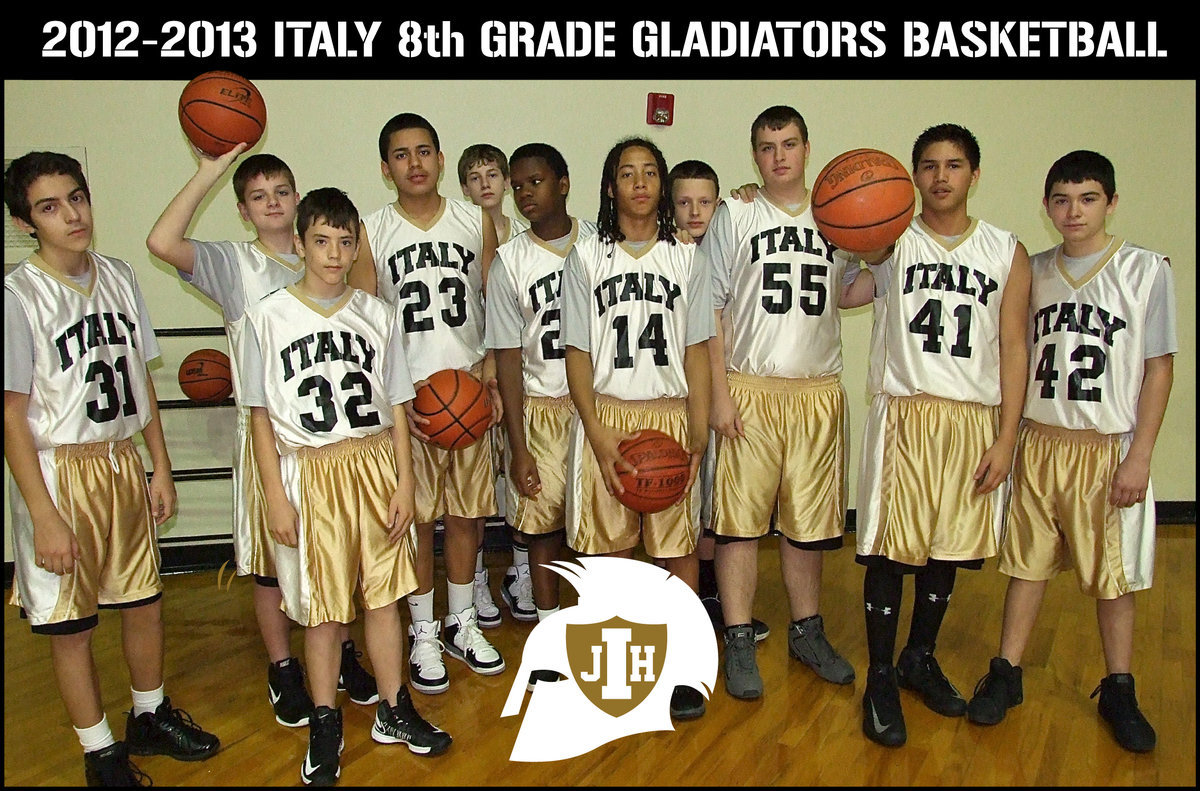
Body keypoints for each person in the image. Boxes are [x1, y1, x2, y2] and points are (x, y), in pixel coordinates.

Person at [4, 151, 220, 786]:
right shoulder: (18, 295)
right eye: (50, 207)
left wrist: (161, 465)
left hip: (122, 460)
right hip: (59, 472)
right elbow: (11, 415)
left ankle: (149, 716)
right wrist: (43, 514)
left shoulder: (121, 276)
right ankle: (100, 752)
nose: (72, 214)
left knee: (143, 600)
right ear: (25, 223)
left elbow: (140, 380)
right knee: (72, 625)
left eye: (77, 197)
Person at [146, 144, 377, 729]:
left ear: (297, 200)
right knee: (274, 563)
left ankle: (343, 652)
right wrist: (209, 170)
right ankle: (282, 667)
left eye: (281, 192)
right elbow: (162, 242)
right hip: (269, 440)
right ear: (243, 210)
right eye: (257, 196)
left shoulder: (326, 255)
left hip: (333, 442)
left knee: (337, 556)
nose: (272, 203)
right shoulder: (233, 264)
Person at [965, 150, 1175, 754]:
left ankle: (1119, 687)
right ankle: (1006, 671)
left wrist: (1141, 455)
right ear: (1046, 206)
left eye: (1087, 199)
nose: (1073, 211)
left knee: (1112, 579)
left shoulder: (1146, 270)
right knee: (1025, 566)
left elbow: (1159, 369)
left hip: (1106, 447)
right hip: (1040, 440)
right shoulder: (1034, 269)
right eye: (1061, 200)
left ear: (1111, 202)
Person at [242, 187, 452, 785]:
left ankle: (394, 707)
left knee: (384, 599)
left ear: (358, 245)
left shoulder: (378, 314)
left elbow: (398, 408)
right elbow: (259, 418)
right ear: (300, 243)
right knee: (324, 610)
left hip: (374, 462)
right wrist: (275, 498)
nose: (334, 254)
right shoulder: (265, 317)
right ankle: (325, 721)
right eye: (321, 241)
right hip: (310, 472)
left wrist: (406, 484)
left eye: (344, 242)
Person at [854, 123, 1031, 747]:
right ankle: (880, 677)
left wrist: (1006, 438)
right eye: (929, 165)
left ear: (974, 175)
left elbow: (1015, 347)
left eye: (953, 165)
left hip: (971, 417)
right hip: (906, 412)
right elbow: (845, 294)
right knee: (889, 551)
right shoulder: (891, 240)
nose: (940, 177)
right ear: (913, 175)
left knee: (946, 549)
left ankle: (918, 657)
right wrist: (845, 239)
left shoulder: (1006, 251)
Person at [703, 106, 870, 701]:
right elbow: (711, 307)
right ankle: (738, 637)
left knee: (809, 526)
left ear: (807, 148)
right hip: (750, 387)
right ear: (754, 156)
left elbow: (847, 291)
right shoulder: (737, 213)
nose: (778, 156)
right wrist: (719, 393)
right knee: (739, 526)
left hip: (817, 391)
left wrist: (886, 255)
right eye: (767, 146)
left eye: (789, 144)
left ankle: (807, 632)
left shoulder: (837, 213)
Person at [348, 112, 505, 695]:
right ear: (385, 168)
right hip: (411, 402)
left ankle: (462, 619)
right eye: (400, 154)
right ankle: (423, 631)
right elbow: (365, 327)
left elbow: (498, 304)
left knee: (466, 516)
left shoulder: (475, 220)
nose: (413, 163)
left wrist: (491, 372)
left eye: (423, 151)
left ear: (440, 159)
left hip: (468, 390)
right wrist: (395, 398)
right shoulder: (372, 230)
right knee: (416, 522)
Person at [561, 136, 714, 721]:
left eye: (651, 172)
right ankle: (614, 666)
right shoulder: (586, 257)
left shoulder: (687, 257)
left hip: (669, 414)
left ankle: (682, 665)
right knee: (610, 553)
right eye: (628, 173)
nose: (641, 182)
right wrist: (596, 433)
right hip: (609, 415)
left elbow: (697, 349)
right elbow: (576, 353)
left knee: (678, 551)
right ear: (610, 187)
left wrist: (698, 430)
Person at [486, 142, 598, 689]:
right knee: (543, 530)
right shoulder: (510, 261)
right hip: (542, 407)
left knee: (599, 530)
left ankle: (596, 631)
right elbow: (508, 357)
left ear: (564, 183)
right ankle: (550, 638)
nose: (525, 193)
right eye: (518, 186)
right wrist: (518, 444)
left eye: (536, 182)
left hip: (599, 407)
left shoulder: (601, 244)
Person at [667, 159, 769, 644]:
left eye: (706, 202)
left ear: (721, 204)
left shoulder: (731, 241)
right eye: (684, 202)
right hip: (677, 394)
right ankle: (687, 599)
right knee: (686, 502)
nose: (695, 212)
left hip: (722, 388)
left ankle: (713, 595)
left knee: (715, 500)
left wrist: (747, 195)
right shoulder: (666, 253)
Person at [457, 142, 536, 628]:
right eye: (474, 177)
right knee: (479, 487)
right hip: (476, 375)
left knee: (522, 476)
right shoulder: (461, 236)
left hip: (524, 373)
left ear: (507, 182)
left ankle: (522, 571)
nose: (485, 183)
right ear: (464, 188)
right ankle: (476, 576)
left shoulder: (528, 236)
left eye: (492, 174)